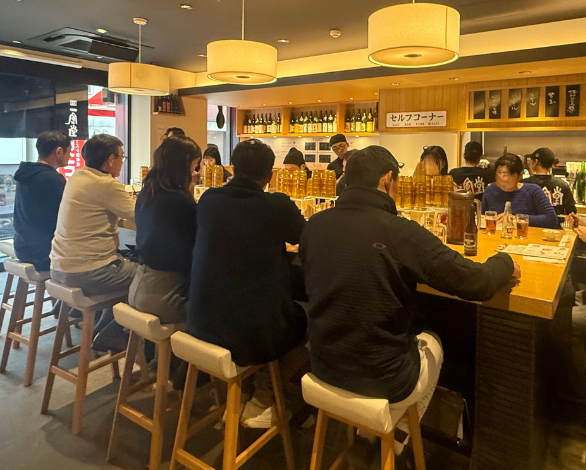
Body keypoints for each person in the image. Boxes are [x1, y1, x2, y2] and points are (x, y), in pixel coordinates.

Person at [300, 145, 520, 443]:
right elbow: (475, 283)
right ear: (387, 180)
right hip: (385, 380)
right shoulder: (398, 231)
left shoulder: (314, 225)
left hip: (322, 365)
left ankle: (372, 428)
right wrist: (504, 261)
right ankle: (398, 431)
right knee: (434, 340)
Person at [187, 138, 308, 428]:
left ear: (232, 168)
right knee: (306, 317)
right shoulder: (276, 205)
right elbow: (305, 236)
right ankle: (265, 396)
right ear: (270, 175)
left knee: (257, 306)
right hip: (249, 336)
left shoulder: (209, 199)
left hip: (200, 322)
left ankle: (240, 388)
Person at [50, 134, 136, 353]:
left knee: (123, 263)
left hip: (58, 269)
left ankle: (103, 328)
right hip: (87, 273)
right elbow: (143, 216)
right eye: (122, 157)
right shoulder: (106, 184)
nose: (122, 162)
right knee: (148, 278)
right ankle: (112, 332)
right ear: (110, 159)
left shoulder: (77, 177)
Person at [129, 135, 201, 324]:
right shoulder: (179, 201)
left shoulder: (147, 193)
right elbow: (198, 242)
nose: (195, 172)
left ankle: (113, 332)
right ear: (184, 165)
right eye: (194, 166)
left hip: (139, 286)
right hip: (167, 298)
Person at [14, 131, 70, 273]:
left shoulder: (25, 174)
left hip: (22, 247)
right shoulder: (53, 179)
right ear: (59, 152)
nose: (70, 156)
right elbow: (67, 215)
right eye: (69, 152)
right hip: (45, 254)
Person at [482, 153, 559, 228]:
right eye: (499, 180)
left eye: (507, 182)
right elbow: (482, 216)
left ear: (519, 176)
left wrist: (517, 219)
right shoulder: (490, 190)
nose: (503, 183)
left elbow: (551, 218)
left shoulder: (533, 191)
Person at [524, 148, 576, 222]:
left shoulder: (524, 184)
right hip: (556, 227)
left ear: (535, 162)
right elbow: (572, 211)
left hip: (531, 225)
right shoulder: (563, 184)